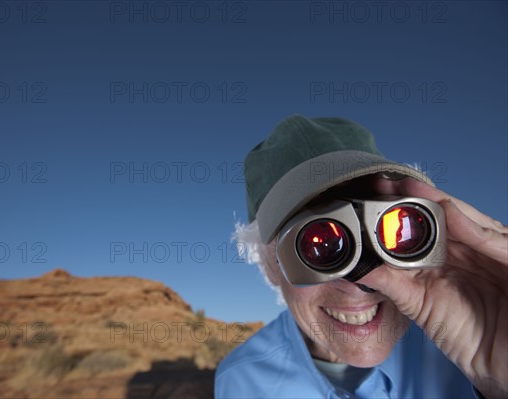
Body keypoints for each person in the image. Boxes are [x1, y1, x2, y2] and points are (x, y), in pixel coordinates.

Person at [215, 115, 507, 398]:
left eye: (391, 232)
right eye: (318, 245)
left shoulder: (474, 335)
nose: (361, 280)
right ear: (269, 268)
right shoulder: (242, 381)